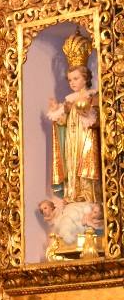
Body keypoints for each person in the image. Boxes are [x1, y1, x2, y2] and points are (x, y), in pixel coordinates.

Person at [45, 33, 102, 205]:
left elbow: (97, 122)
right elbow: (62, 123)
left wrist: (87, 113)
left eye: (76, 78)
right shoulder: (69, 99)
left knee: (86, 166)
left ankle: (89, 197)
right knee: (72, 164)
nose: (72, 83)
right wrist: (57, 112)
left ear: (85, 78)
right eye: (70, 80)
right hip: (71, 140)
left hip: (86, 138)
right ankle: (73, 193)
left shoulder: (93, 96)